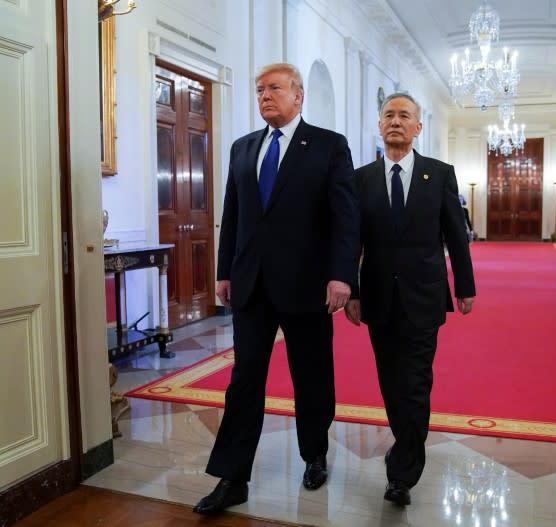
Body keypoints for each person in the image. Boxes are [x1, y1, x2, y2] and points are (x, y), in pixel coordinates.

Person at [193, 63, 359, 516]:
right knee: (244, 379)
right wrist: (224, 270)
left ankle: (315, 454)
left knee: (311, 376)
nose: (265, 96)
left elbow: (346, 217)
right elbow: (234, 212)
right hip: (251, 285)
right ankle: (233, 476)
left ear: (298, 96)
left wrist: (342, 275)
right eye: (260, 89)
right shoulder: (243, 148)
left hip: (307, 284)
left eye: (275, 89)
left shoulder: (328, 146)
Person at [344, 93, 476, 507]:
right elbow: (351, 241)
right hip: (378, 298)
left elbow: (456, 234)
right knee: (390, 382)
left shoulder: (439, 174)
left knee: (416, 382)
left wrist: (465, 286)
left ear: (419, 127)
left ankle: (402, 474)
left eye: (404, 116)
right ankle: (404, 444)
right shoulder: (361, 178)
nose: (395, 121)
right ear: (378, 126)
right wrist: (353, 289)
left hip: (424, 295)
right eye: (388, 115)